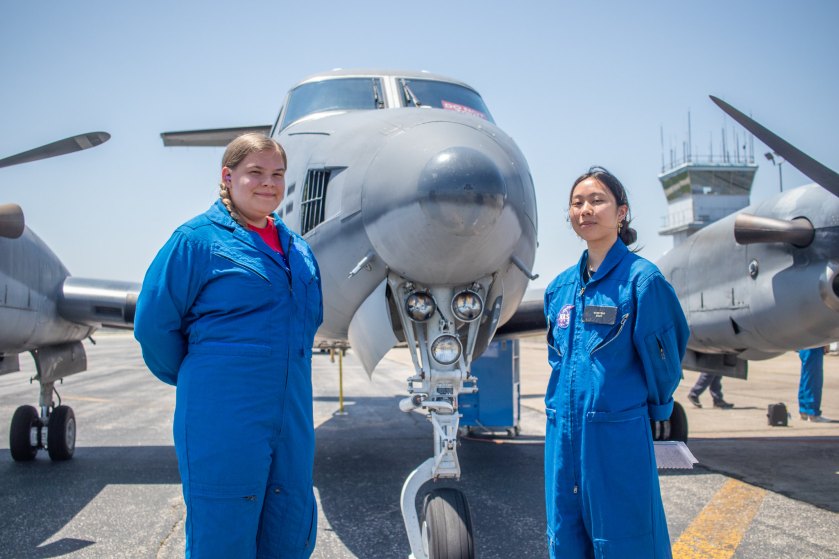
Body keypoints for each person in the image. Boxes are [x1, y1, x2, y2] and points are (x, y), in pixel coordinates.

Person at [134, 133, 322, 558]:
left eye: (277, 174)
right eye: (255, 172)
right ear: (228, 176)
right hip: (222, 413)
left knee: (289, 526)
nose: (268, 183)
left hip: (291, 414)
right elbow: (153, 326)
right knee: (223, 533)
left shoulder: (300, 251)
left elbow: (307, 326)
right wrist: (205, 375)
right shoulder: (196, 241)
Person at [543, 166, 689, 558]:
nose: (585, 210)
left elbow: (665, 355)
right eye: (577, 203)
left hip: (616, 433)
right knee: (566, 535)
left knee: (627, 538)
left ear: (621, 212)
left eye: (597, 200)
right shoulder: (559, 290)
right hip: (562, 435)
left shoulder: (642, 281)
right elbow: (558, 360)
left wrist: (660, 410)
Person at [798, 347, 832, 422]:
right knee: (814, 379)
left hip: (804, 346)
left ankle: (804, 412)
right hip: (814, 348)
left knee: (805, 378)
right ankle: (813, 414)